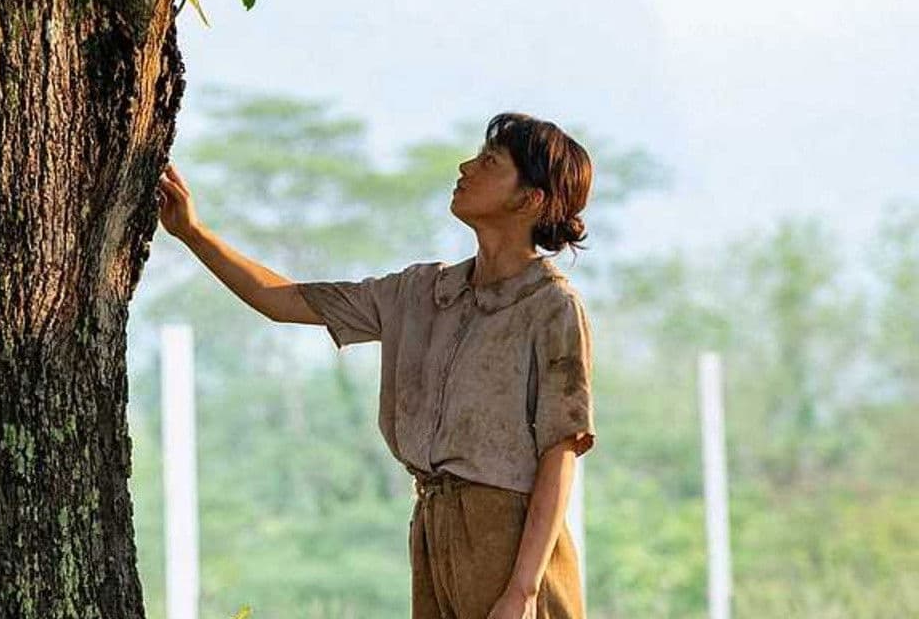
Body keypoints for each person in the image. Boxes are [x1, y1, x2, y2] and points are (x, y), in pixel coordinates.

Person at [155, 112, 596, 619]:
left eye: (489, 162)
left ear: (530, 198)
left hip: (515, 545)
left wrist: (522, 590)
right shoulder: (420, 293)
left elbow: (559, 456)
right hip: (433, 529)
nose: (465, 166)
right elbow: (283, 301)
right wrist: (191, 232)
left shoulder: (552, 306)